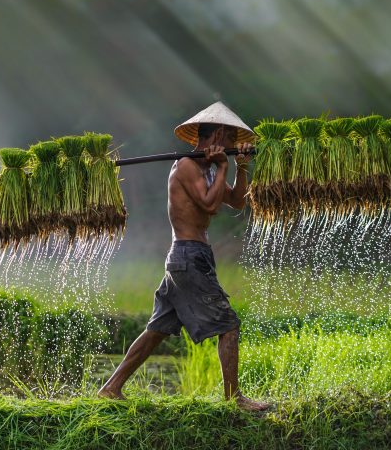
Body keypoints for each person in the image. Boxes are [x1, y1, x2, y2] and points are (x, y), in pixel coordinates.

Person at [98, 102, 272, 412]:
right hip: (188, 256)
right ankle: (234, 399)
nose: (234, 145)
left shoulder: (206, 168)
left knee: (157, 330)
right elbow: (208, 205)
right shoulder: (187, 166)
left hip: (190, 256)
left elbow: (235, 202)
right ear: (218, 133)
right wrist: (222, 167)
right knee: (229, 325)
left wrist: (240, 168)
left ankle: (111, 388)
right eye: (231, 138)